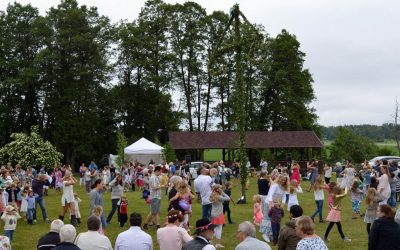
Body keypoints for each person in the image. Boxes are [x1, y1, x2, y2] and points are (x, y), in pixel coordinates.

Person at [261, 175, 288, 243]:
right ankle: (265, 234)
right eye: (282, 179)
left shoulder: (284, 187)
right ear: (279, 179)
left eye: (284, 180)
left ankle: (270, 235)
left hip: (276, 205)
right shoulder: (275, 185)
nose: (283, 181)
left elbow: (284, 196)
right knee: (267, 218)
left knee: (273, 220)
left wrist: (282, 204)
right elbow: (270, 194)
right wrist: (270, 204)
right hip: (268, 203)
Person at [143, 166, 164, 230]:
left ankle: (158, 225)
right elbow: (154, 187)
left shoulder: (156, 177)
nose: (160, 173)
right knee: (153, 212)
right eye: (160, 172)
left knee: (157, 211)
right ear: (157, 171)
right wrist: (161, 186)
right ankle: (145, 224)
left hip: (157, 196)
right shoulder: (153, 178)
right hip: (154, 197)